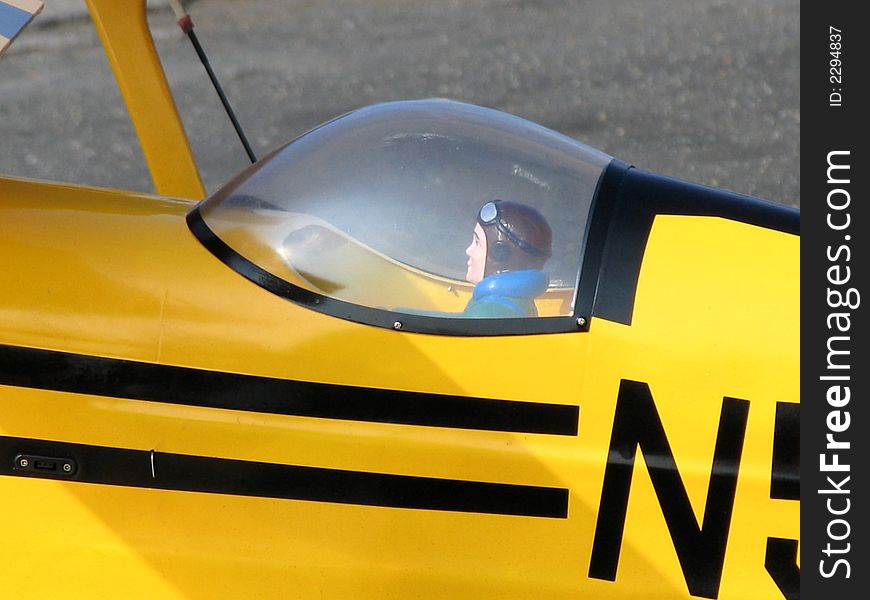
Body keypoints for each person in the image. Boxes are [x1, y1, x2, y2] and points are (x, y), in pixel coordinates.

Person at [462, 200, 552, 317]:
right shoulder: (517, 300)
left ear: (500, 254)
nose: (468, 250)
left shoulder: (491, 311)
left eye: (477, 243)